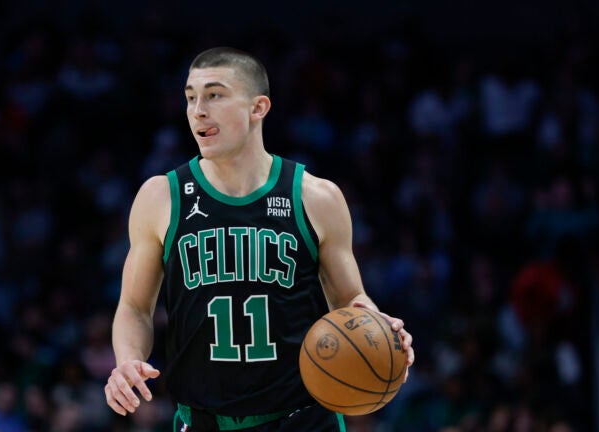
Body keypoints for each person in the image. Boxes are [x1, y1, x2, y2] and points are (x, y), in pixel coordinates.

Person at [105, 47, 415, 431]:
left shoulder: (315, 196)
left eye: (214, 95)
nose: (198, 110)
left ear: (258, 107)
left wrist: (376, 323)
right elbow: (135, 307)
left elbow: (349, 298)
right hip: (204, 420)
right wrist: (127, 359)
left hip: (302, 419)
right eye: (190, 97)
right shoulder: (160, 197)